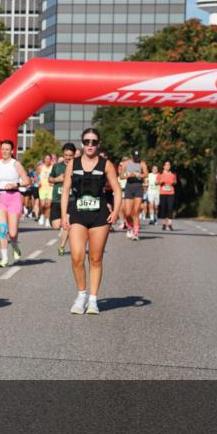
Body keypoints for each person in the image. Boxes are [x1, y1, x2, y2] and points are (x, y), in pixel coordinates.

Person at [61, 128, 122, 315]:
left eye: (93, 142)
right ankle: (81, 296)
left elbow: (117, 190)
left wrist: (116, 211)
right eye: (86, 141)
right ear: (82, 143)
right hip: (78, 213)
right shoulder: (73, 163)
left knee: (95, 258)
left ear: (98, 144)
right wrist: (64, 214)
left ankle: (93, 300)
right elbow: (65, 190)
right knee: (77, 256)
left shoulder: (106, 164)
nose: (90, 145)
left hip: (99, 215)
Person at [0, 140, 31, 268]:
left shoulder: (16, 164)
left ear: (12, 151)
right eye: (3, 149)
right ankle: (4, 258)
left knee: (12, 232)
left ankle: (15, 245)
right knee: (2, 229)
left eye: (7, 149)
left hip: (14, 197)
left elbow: (27, 180)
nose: (5, 151)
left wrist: (15, 184)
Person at [49, 143, 76, 255]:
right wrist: (57, 179)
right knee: (56, 225)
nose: (68, 158)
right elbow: (49, 179)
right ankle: (64, 230)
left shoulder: (77, 166)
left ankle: (62, 246)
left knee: (66, 222)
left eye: (70, 155)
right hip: (57, 199)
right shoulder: (57, 166)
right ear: (63, 154)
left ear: (74, 155)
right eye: (66, 155)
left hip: (71, 199)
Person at [120, 150, 147, 240]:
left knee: (135, 212)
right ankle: (130, 227)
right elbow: (121, 176)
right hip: (129, 187)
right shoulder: (125, 164)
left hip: (138, 187)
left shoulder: (142, 163)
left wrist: (138, 174)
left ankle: (136, 233)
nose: (136, 158)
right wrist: (129, 175)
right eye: (135, 157)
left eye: (137, 156)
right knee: (127, 213)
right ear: (131, 156)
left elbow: (146, 174)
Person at [157, 161, 177, 231]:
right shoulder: (160, 174)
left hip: (171, 193)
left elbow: (175, 182)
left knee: (170, 208)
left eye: (169, 165)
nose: (168, 166)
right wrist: (160, 182)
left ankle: (170, 223)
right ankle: (164, 223)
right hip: (162, 193)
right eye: (166, 165)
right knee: (163, 208)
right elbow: (156, 182)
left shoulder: (173, 174)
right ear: (164, 166)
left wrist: (173, 182)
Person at [37, 154, 54, 226]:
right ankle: (42, 215)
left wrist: (53, 182)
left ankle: (47, 219)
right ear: (44, 159)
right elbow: (35, 175)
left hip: (50, 188)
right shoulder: (41, 167)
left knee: (49, 205)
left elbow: (55, 175)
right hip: (42, 188)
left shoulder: (53, 167)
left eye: (49, 159)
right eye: (46, 158)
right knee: (43, 205)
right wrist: (37, 182)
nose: (47, 160)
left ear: (51, 160)